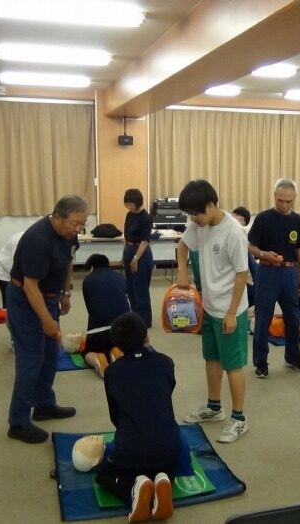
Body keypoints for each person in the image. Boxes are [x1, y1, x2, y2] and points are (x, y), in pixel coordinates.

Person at [6, 195, 86, 444]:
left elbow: (69, 261)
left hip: (50, 297)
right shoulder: (37, 240)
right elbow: (30, 286)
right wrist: (47, 321)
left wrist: (66, 292)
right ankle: (18, 422)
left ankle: (44, 405)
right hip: (24, 298)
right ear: (57, 216)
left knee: (51, 354)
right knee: (31, 358)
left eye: (82, 224)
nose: (78, 229)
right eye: (75, 224)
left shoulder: (69, 235)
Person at [176, 180, 250, 443]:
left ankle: (239, 419)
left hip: (230, 310)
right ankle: (214, 407)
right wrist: (183, 272)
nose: (194, 221)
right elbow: (183, 245)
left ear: (211, 205)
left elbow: (242, 275)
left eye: (196, 214)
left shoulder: (234, 233)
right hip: (208, 306)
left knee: (233, 365)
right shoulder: (199, 223)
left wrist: (231, 313)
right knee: (212, 359)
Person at [95, 312, 179, 522]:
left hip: (131, 450)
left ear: (118, 346)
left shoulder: (113, 373)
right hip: (168, 447)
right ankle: (163, 478)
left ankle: (134, 487)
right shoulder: (166, 362)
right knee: (166, 459)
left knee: (103, 475)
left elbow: (115, 417)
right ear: (146, 337)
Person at [248, 179, 300, 378]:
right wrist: (263, 254)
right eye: (280, 200)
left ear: (294, 199)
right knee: (263, 318)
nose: (284, 205)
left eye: (288, 201)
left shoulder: (298, 221)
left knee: (293, 317)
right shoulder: (263, 219)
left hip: (290, 273)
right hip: (267, 272)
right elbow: (250, 246)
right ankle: (261, 362)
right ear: (274, 197)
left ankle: (293, 356)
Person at [81, 254, 131, 376]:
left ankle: (98, 358)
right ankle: (116, 352)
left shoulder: (87, 281)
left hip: (99, 329)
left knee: (88, 352)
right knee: (117, 343)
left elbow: (91, 309)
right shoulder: (120, 277)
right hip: (123, 327)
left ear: (92, 267)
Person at [122, 189, 154, 328]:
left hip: (141, 253)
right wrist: (124, 255)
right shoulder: (129, 215)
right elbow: (126, 236)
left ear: (137, 202)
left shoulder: (145, 217)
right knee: (129, 287)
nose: (128, 207)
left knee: (140, 288)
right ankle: (134, 316)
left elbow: (145, 241)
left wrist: (135, 258)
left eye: (130, 204)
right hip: (129, 250)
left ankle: (144, 321)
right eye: (126, 204)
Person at [231, 206, 258, 307]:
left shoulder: (241, 238)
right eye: (233, 215)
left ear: (243, 221)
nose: (233, 218)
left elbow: (253, 268)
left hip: (242, 285)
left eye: (237, 216)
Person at [0, 231, 24, 309]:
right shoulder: (19, 240)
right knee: (10, 305)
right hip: (4, 272)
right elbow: (16, 266)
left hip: (21, 272)